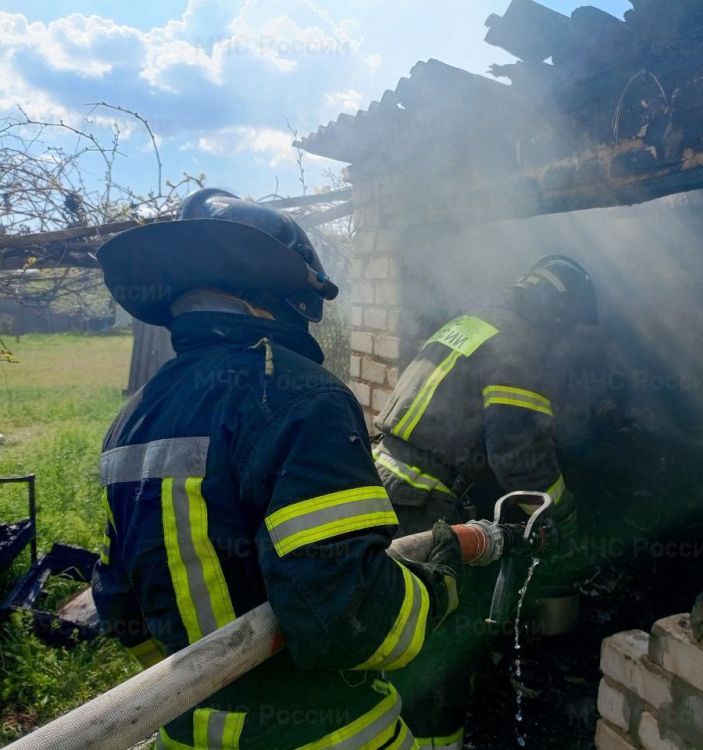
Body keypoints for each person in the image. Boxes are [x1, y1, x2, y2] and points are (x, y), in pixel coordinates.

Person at [92, 188, 461, 750]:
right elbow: (349, 615)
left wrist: (203, 683)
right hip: (328, 732)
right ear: (289, 295)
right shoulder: (298, 395)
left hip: (186, 734)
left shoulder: (134, 416)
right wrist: (436, 594)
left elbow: (117, 597)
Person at [373, 256, 597, 748]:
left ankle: (387, 726)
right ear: (558, 309)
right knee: (441, 643)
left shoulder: (472, 322)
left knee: (394, 624)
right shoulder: (523, 344)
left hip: (388, 484)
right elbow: (518, 454)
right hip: (425, 504)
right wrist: (563, 515)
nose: (565, 338)